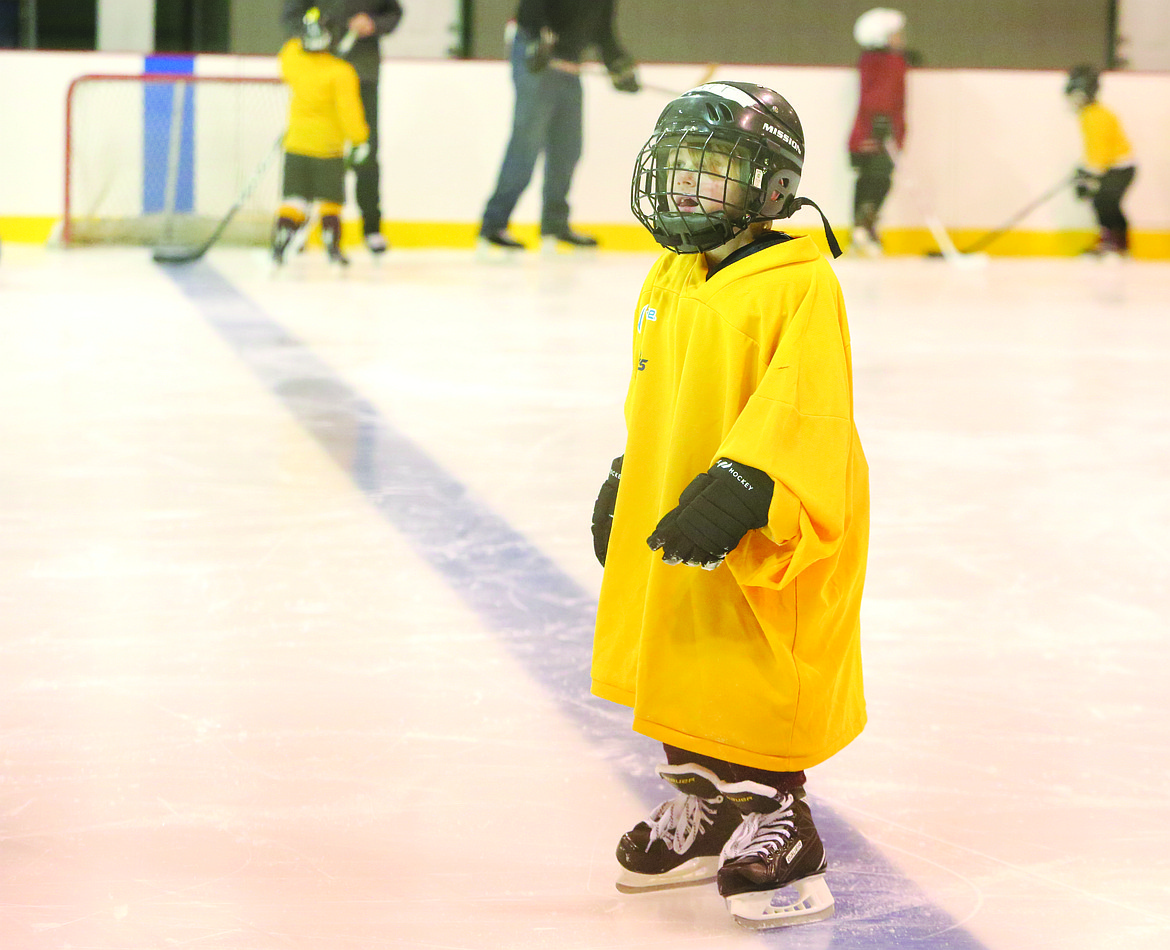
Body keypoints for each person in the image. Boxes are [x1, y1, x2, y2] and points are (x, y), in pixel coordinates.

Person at [590, 81, 868, 930]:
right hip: (678, 503)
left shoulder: (798, 283)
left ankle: (782, 819)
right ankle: (705, 807)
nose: (686, 185)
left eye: (713, 169)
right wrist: (626, 469)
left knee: (749, 658)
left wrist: (750, 483)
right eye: (680, 164)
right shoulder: (671, 273)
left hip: (758, 511)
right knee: (682, 646)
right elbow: (657, 396)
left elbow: (807, 405)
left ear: (771, 188)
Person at [478, 0, 639, 255]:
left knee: (568, 147)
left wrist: (618, 64)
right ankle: (493, 226)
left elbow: (603, 31)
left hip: (568, 63)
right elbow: (532, 8)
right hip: (536, 56)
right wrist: (538, 40)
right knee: (527, 144)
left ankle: (554, 225)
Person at [282, 0, 403, 255]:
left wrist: (373, 23)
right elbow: (291, 16)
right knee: (311, 153)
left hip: (362, 71)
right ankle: (298, 227)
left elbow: (392, 12)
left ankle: (371, 228)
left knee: (365, 152)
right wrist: (321, 31)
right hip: (319, 71)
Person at [272, 7, 370, 268]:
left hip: (296, 143)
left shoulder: (293, 61)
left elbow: (292, 46)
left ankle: (279, 245)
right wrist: (360, 140)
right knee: (330, 202)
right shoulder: (341, 72)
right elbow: (350, 112)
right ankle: (333, 249)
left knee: (293, 200)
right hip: (328, 148)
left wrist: (310, 25)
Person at [846, 7, 909, 257]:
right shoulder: (890, 62)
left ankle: (862, 230)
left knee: (870, 181)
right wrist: (882, 125)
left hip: (867, 134)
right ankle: (864, 229)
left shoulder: (870, 60)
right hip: (875, 134)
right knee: (877, 181)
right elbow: (881, 97)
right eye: (895, 33)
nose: (901, 37)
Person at [1065, 64, 1136, 257]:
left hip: (1119, 168)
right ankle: (1115, 241)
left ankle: (1116, 242)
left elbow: (1100, 152)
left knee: (1105, 201)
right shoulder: (1091, 114)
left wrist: (1088, 174)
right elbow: (1094, 151)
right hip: (1114, 167)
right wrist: (1083, 171)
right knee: (1103, 202)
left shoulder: (1095, 116)